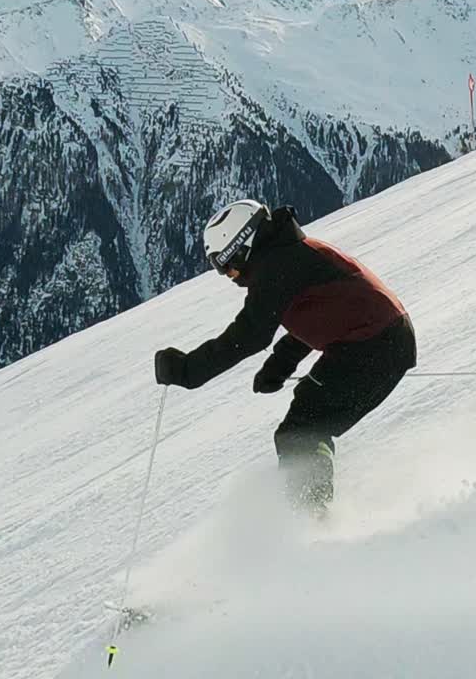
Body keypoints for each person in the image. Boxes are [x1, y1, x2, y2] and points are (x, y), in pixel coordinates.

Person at [153, 200, 416, 515]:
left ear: (243, 247)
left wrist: (186, 371)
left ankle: (313, 520)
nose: (231, 276)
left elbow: (249, 334)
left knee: (300, 431)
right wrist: (279, 365)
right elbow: (321, 313)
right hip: (379, 340)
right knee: (304, 423)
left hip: (374, 344)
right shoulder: (287, 255)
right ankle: (313, 514)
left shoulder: (277, 265)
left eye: (227, 265)